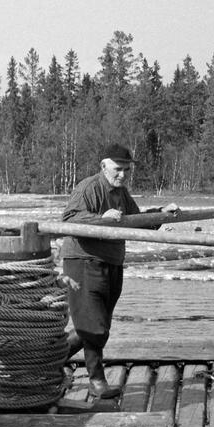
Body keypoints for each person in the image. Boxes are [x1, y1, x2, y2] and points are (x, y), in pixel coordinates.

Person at [61, 144, 176, 399]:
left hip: (112, 262)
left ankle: (48, 360)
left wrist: (161, 214)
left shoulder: (122, 193)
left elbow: (136, 221)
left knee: (98, 324)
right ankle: (96, 381)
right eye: (117, 169)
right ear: (103, 166)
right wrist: (102, 218)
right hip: (83, 261)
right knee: (94, 326)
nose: (122, 175)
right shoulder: (89, 187)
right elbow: (69, 219)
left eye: (126, 170)